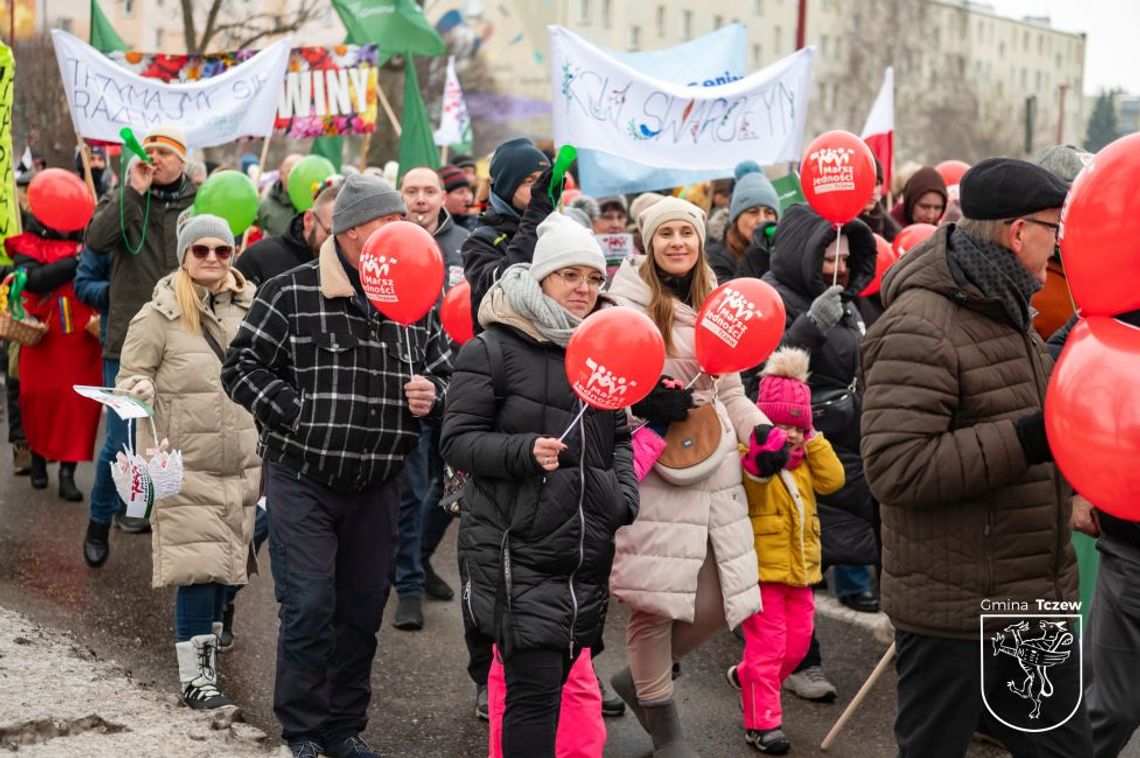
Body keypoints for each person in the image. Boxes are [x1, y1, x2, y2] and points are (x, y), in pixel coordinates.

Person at [861, 158, 1092, 756]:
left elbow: (1014, 408)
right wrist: (1029, 439)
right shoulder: (920, 323)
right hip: (955, 612)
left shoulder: (1005, 304)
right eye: (1053, 229)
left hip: (1029, 598)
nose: (1058, 245)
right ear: (1018, 232)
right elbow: (897, 467)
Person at [221, 174, 451, 758]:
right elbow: (241, 367)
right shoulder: (292, 291)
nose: (403, 233)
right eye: (388, 222)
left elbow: (447, 374)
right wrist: (296, 413)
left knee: (362, 609)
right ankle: (302, 731)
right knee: (308, 604)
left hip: (379, 483)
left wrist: (434, 394)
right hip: (304, 477)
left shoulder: (415, 294)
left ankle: (343, 727)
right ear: (351, 231)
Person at [441, 211, 639, 757]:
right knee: (533, 696)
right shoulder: (491, 349)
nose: (584, 289)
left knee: (558, 688)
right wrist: (524, 452)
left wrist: (623, 498)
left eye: (594, 278)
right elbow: (457, 441)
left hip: (582, 553)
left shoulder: (602, 349)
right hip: (516, 549)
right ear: (542, 276)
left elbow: (620, 436)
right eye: (570, 275)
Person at [607, 197, 765, 757]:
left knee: (722, 601)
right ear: (648, 243)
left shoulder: (717, 303)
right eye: (666, 233)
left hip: (716, 471)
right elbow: (601, 391)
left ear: (700, 240)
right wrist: (643, 405)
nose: (678, 242)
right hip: (655, 471)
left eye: (687, 232)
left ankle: (639, 680)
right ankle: (665, 728)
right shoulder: (622, 305)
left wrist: (762, 433)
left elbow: (731, 392)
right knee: (656, 601)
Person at [115, 214, 259, 709]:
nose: (212, 259)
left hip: (243, 463)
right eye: (201, 250)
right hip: (182, 464)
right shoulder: (158, 315)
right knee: (198, 571)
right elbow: (128, 379)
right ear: (183, 255)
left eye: (222, 250)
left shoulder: (253, 307)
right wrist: (139, 388)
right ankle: (197, 680)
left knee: (223, 571)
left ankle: (207, 668)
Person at [762, 203, 880, 704]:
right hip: (799, 451)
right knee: (798, 566)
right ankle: (796, 661)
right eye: (830, 258)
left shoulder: (849, 303)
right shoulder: (772, 298)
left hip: (849, 447)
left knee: (848, 546)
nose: (841, 268)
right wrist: (809, 326)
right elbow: (760, 378)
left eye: (848, 259)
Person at [83, 124, 197, 568]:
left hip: (183, 340)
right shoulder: (126, 197)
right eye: (149, 151)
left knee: (173, 440)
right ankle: (98, 520)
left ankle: (164, 526)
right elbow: (96, 240)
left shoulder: (197, 203)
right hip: (128, 341)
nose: (155, 159)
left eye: (165, 153)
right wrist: (133, 191)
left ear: (182, 162)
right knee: (121, 440)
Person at [728, 347, 845, 754]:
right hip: (763, 574)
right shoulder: (752, 457)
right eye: (780, 424)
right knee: (769, 650)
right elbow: (753, 487)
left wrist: (814, 440)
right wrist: (763, 456)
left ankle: (747, 678)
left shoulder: (807, 458)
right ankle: (762, 724)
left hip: (803, 572)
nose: (790, 433)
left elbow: (834, 480)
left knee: (795, 649)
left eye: (798, 425)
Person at [391, 166, 471, 630]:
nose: (420, 199)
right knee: (412, 491)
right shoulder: (389, 243)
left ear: (443, 196)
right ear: (401, 197)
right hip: (410, 388)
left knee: (455, 488)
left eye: (428, 191)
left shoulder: (466, 244)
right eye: (411, 191)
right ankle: (408, 588)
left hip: (461, 384)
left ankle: (418, 559)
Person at [5, 216, 101, 501]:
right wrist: (75, 261)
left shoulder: (90, 240)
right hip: (41, 333)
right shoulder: (29, 243)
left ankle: (67, 472)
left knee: (79, 402)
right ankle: (37, 456)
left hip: (81, 334)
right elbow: (34, 280)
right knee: (37, 399)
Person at [463, 136, 550, 331]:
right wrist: (536, 215)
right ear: (507, 188)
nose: (540, 189)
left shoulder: (556, 229)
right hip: (503, 345)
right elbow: (502, 287)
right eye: (529, 181)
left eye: (543, 181)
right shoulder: (480, 240)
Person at [237, 182, 339, 287]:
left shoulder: (346, 266)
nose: (339, 242)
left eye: (346, 234)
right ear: (308, 220)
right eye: (331, 233)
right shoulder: (258, 259)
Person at [707, 161, 780, 283]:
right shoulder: (714, 257)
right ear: (736, 218)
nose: (762, 219)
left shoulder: (782, 254)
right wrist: (759, 248)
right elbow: (735, 292)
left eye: (769, 212)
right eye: (753, 212)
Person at [257, 153, 303, 237]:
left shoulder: (313, 205)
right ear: (281, 174)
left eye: (302, 172)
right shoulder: (265, 206)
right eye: (292, 171)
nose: (298, 176)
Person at [858, 157, 900, 242]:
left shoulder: (881, 216)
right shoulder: (839, 224)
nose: (874, 191)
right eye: (867, 183)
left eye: (877, 184)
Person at [439, 164, 478, 231]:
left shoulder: (479, 225)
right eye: (460, 192)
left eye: (469, 191)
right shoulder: (434, 228)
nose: (468, 198)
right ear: (443, 197)